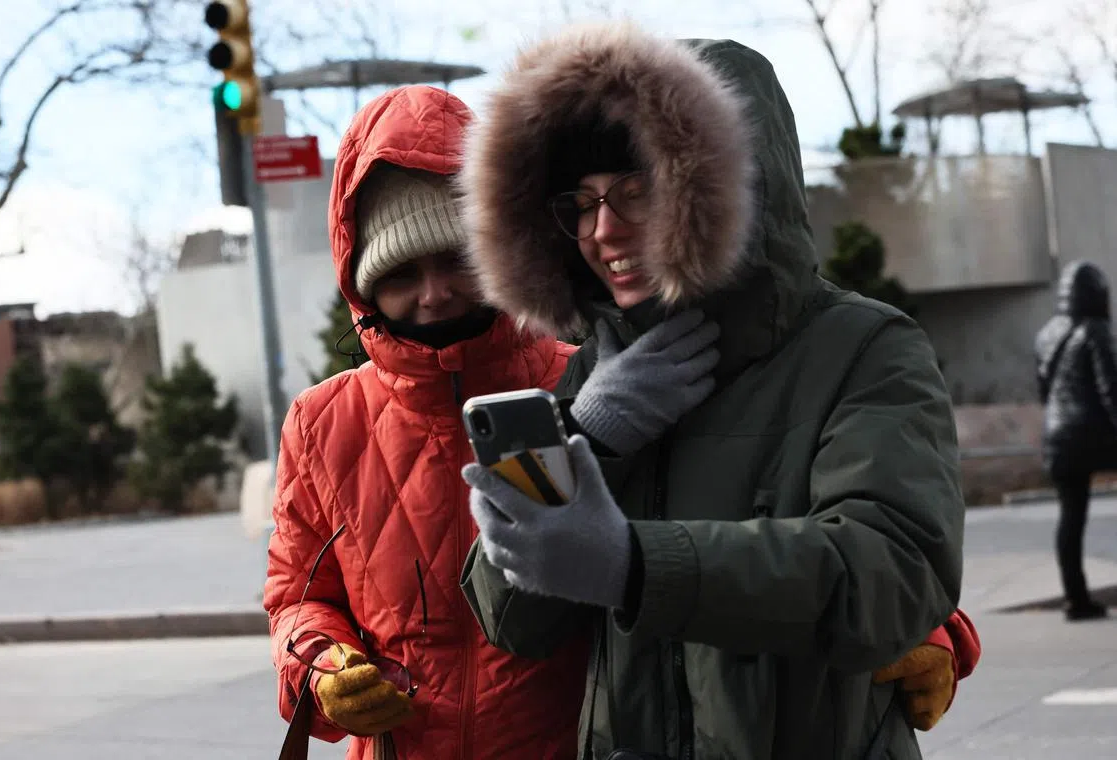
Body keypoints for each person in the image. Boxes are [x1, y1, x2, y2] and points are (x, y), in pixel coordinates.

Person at [458, 24, 977, 758]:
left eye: (636, 191)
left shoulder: (861, 350)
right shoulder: (596, 370)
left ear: (727, 188)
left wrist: (635, 566)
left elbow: (892, 576)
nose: (602, 230)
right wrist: (589, 441)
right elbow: (512, 622)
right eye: (579, 201)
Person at [263, 85, 606, 760]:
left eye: (456, 258)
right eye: (401, 271)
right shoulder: (320, 423)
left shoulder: (585, 382)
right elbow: (296, 597)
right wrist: (323, 668)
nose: (434, 293)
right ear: (362, 283)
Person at [1035, 260, 1116, 621]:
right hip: (1097, 434)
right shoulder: (1097, 331)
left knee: (1071, 517)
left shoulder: (1046, 333)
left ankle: (1076, 598)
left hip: (1058, 436)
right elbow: (1110, 388)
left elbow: (1043, 390)